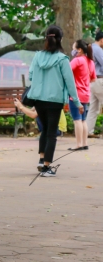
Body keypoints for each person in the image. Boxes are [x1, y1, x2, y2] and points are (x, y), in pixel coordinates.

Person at [24, 25, 82, 177]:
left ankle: (41, 160)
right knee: (51, 133)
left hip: (38, 99)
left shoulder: (37, 56)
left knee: (45, 130)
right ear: (60, 39)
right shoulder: (62, 59)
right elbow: (70, 83)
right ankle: (46, 167)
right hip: (54, 101)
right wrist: (77, 103)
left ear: (46, 39)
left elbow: (31, 76)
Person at [68, 39, 96, 150]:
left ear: (79, 49)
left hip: (76, 95)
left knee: (77, 120)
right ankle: (84, 143)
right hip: (86, 95)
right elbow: (93, 79)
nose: (73, 51)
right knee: (83, 119)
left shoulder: (77, 60)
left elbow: (66, 73)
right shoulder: (90, 61)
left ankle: (78, 144)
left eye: (74, 48)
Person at [85, 31, 103, 138]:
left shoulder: (90, 48)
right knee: (93, 108)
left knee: (93, 108)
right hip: (99, 80)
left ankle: (87, 131)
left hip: (91, 81)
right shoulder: (97, 49)